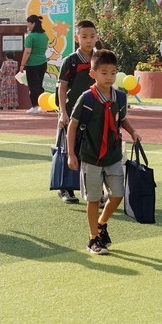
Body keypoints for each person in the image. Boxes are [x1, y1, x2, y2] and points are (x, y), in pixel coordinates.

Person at [67, 49, 141, 255]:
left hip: (113, 155)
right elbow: (72, 126)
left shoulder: (120, 97)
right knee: (93, 199)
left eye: (113, 73)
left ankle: (102, 223)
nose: (109, 77)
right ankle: (93, 239)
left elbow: (122, 119)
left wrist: (133, 131)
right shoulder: (86, 99)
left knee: (117, 195)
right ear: (93, 74)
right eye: (104, 73)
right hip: (91, 156)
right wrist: (71, 154)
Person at [55, 20, 98, 204]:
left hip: (94, 113)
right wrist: (62, 112)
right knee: (68, 149)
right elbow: (62, 87)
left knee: (92, 151)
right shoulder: (70, 61)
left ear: (97, 37)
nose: (89, 40)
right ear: (76, 38)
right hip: (71, 113)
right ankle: (65, 188)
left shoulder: (100, 59)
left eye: (92, 36)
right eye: (84, 36)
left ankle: (92, 189)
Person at [20, 14, 49, 114]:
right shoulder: (44, 35)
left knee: (33, 86)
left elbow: (27, 51)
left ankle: (35, 106)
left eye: (28, 23)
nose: (27, 25)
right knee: (39, 85)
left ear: (33, 24)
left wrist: (22, 64)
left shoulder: (30, 36)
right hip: (43, 63)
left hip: (32, 64)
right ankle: (42, 106)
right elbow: (45, 48)